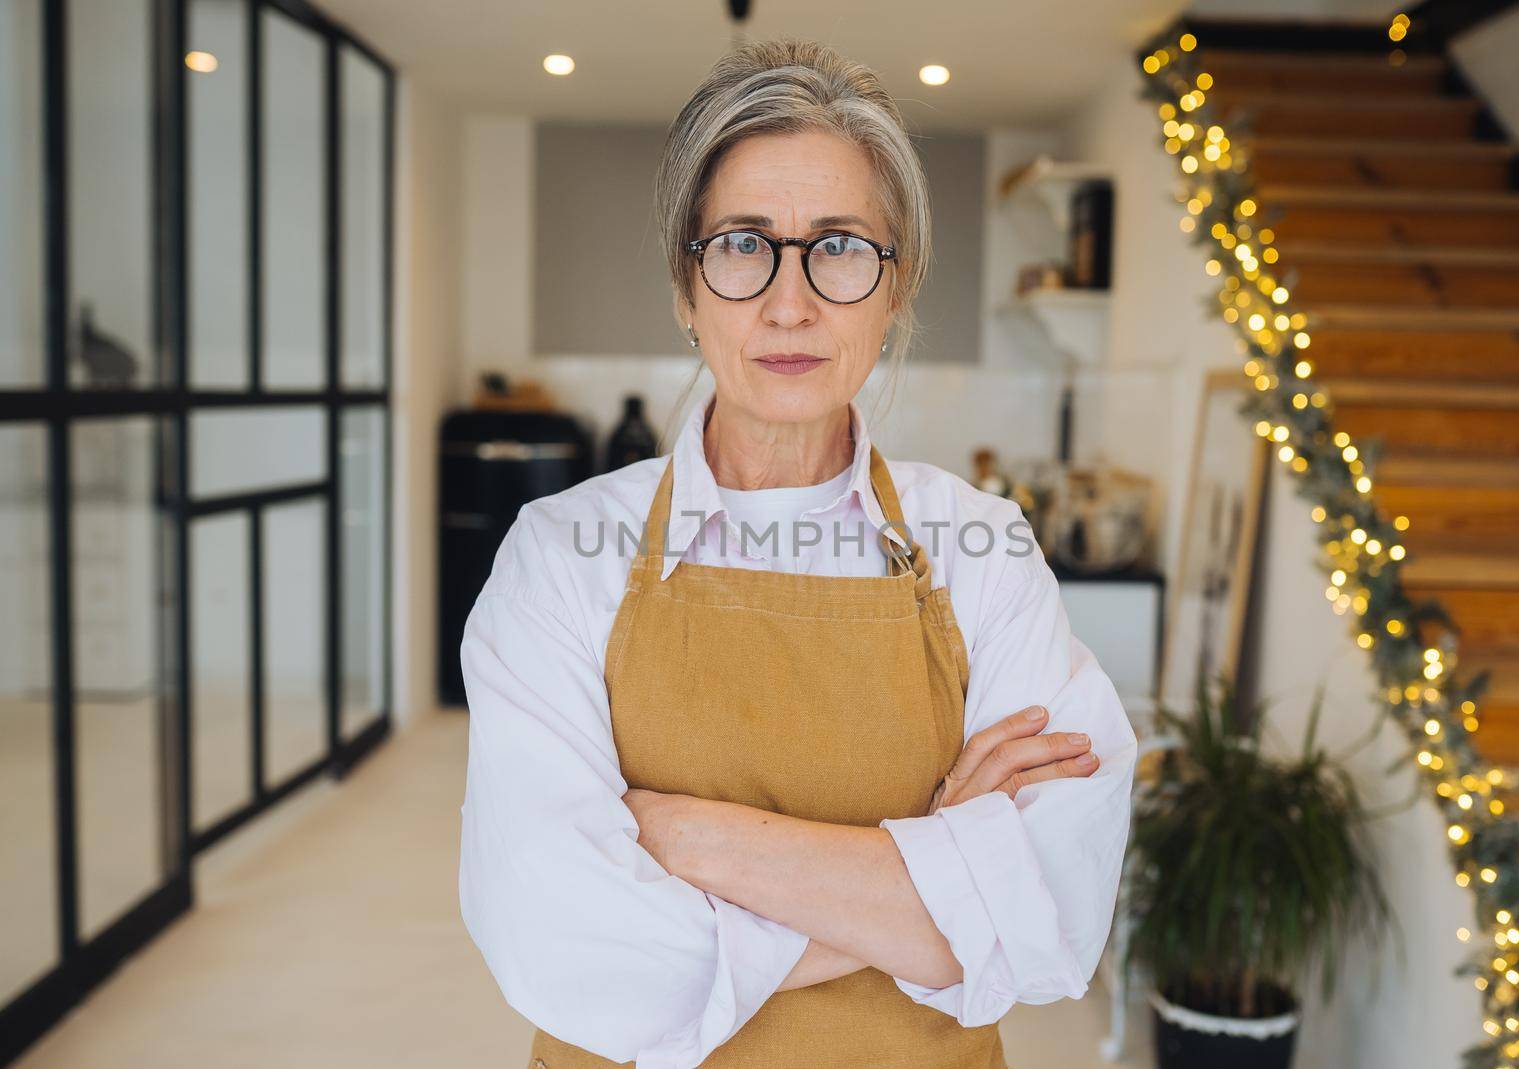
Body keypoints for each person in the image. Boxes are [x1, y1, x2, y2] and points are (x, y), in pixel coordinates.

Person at [458, 37, 1136, 1069]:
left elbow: (1055, 914)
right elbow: (566, 944)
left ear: (894, 289)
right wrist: (940, 865)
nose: (790, 301)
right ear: (687, 291)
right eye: (740, 243)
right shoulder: (561, 556)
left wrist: (692, 841)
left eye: (840, 245)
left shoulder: (982, 550)